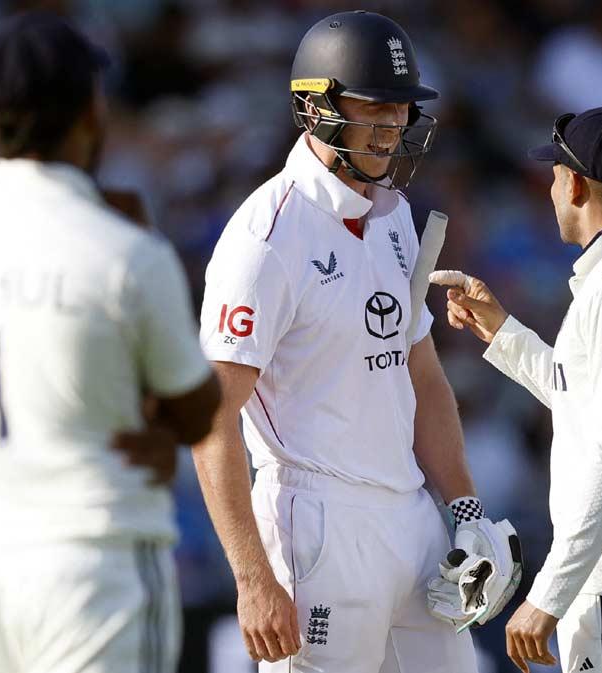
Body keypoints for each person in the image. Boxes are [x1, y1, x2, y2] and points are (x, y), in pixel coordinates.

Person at [192, 10, 518, 672]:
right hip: (316, 524)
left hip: (411, 518)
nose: (394, 125)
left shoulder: (395, 214)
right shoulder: (266, 238)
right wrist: (254, 578)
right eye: (375, 107)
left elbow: (421, 375)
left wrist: (465, 511)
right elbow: (211, 419)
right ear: (314, 109)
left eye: (401, 109)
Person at [0, 11, 221, 673]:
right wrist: (154, 421)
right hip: (93, 558)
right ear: (91, 112)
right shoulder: (128, 252)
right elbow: (198, 411)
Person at [430, 107, 602, 673]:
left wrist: (548, 593)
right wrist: (503, 333)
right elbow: (592, 405)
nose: (551, 189)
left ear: (577, 183)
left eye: (555, 175)